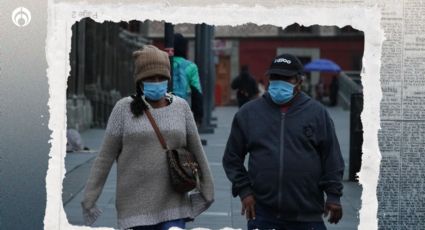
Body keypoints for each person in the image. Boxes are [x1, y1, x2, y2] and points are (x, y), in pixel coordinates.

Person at [81, 45, 214, 230]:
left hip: (174, 204)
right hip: (134, 208)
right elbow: (104, 157)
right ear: (140, 81)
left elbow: (197, 151)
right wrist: (90, 198)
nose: (157, 82)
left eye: (161, 78)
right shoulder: (123, 109)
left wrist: (207, 192)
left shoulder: (181, 107)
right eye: (151, 78)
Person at [222, 54, 344, 230]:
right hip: (263, 215)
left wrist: (333, 196)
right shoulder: (248, 113)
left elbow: (331, 157)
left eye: (286, 78)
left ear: (299, 81)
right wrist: (244, 191)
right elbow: (232, 158)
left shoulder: (317, 113)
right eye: (274, 77)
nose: (279, 82)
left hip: (307, 217)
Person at [172, 33, 203, 127]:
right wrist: (198, 116)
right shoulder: (191, 66)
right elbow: (196, 92)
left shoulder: (164, 63)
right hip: (182, 108)